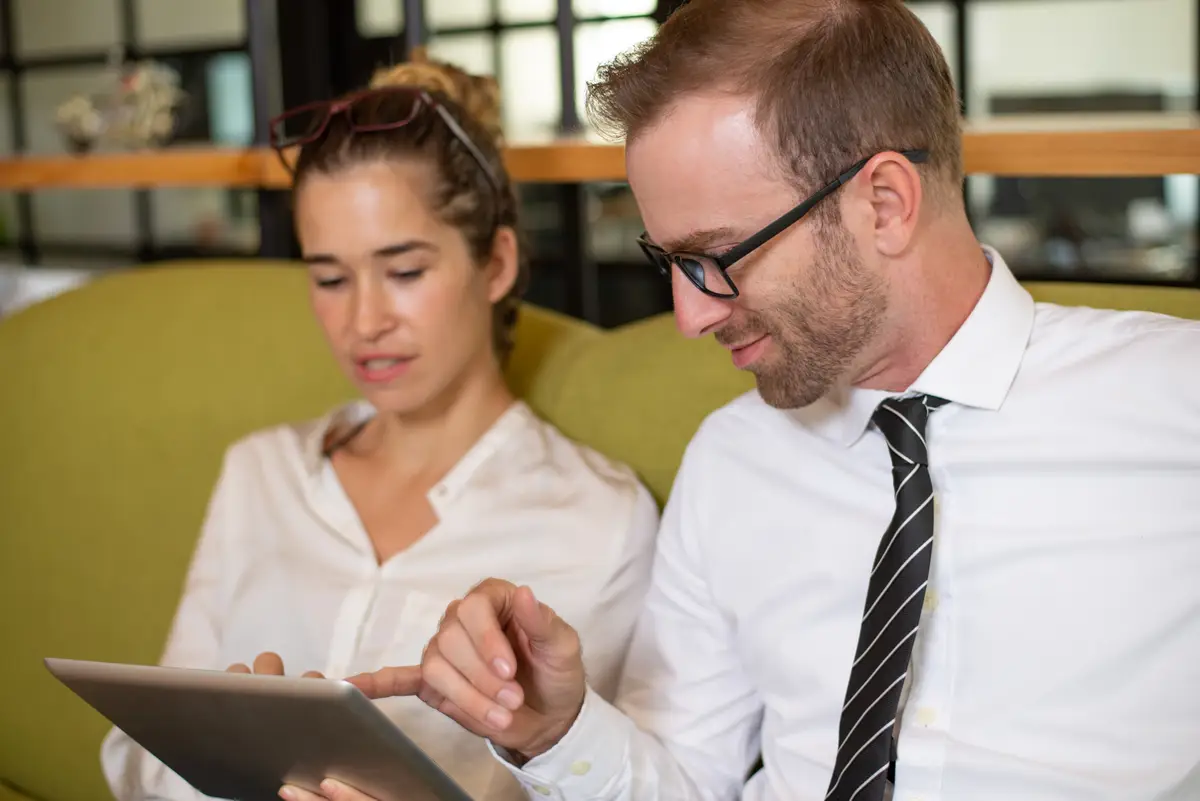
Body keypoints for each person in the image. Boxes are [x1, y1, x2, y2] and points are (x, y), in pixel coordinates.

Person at [297, 1, 1200, 800]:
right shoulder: (731, 461)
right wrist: (554, 729)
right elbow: (687, 779)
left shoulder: (1172, 403)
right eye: (670, 264)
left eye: (718, 256)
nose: (689, 315)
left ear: (884, 201)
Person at [99, 53, 659, 801]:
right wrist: (226, 762)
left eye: (404, 271)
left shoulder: (597, 520)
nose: (364, 322)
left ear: (495, 262)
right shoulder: (259, 472)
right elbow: (136, 756)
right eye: (330, 278)